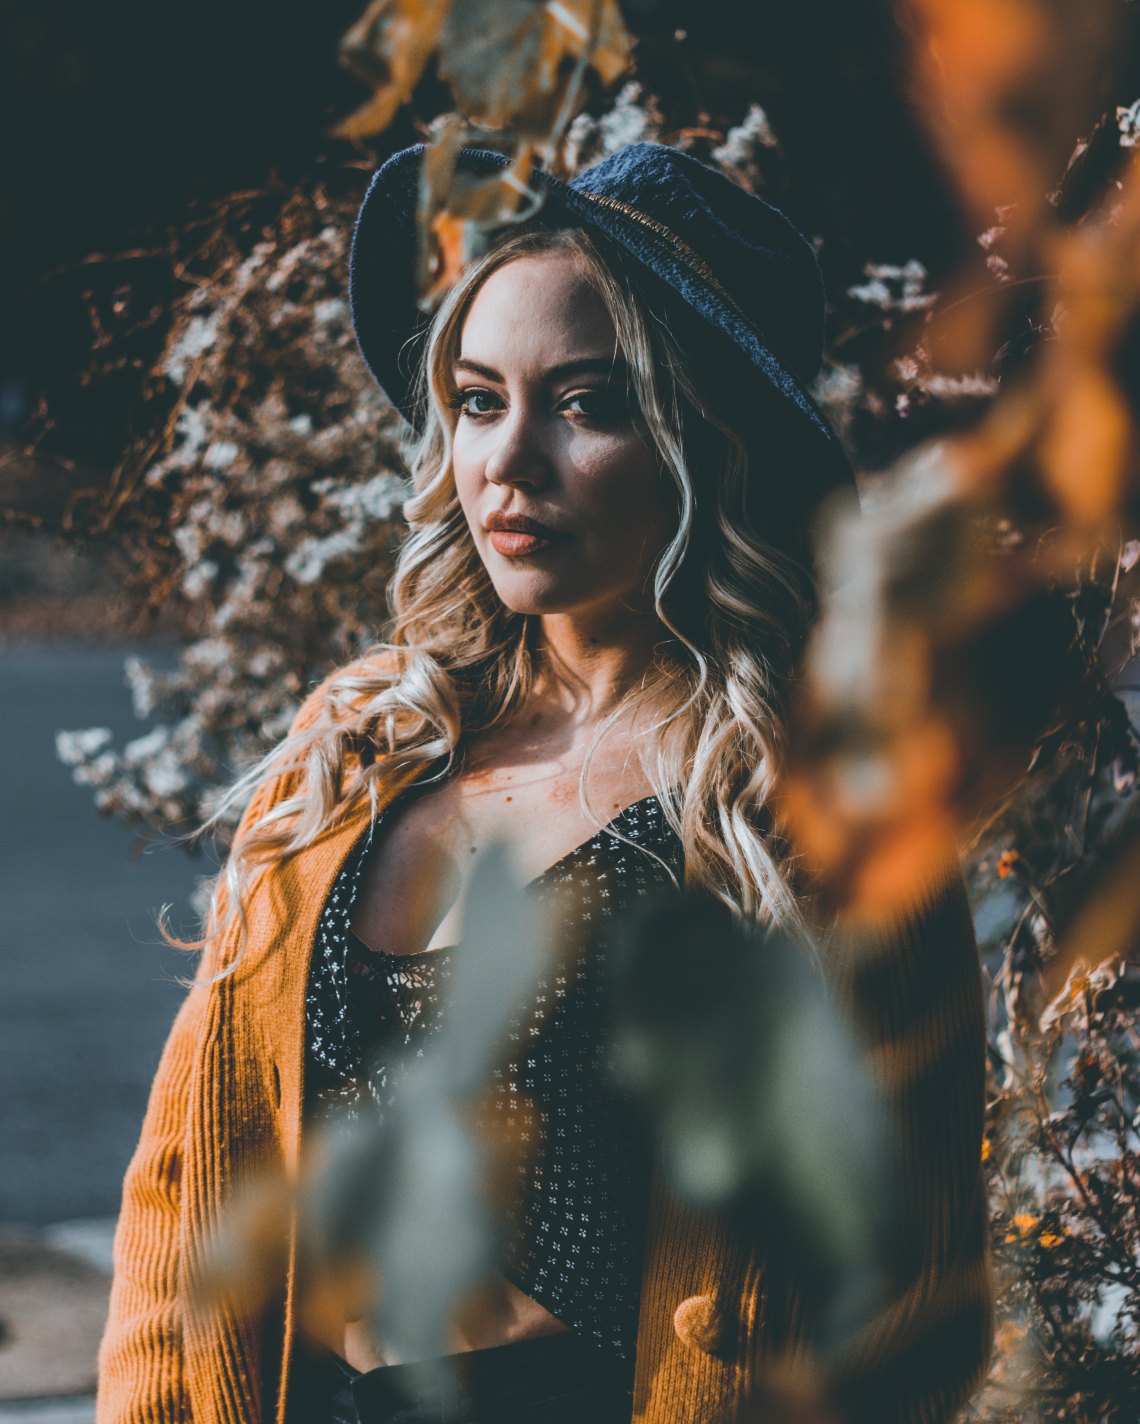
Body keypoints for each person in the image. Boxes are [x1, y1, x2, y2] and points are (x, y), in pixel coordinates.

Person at [95, 142, 993, 1424]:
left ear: (700, 438)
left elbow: (908, 1289)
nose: (510, 462)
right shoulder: (360, 745)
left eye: (588, 403)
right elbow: (185, 1188)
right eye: (476, 400)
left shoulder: (810, 804)